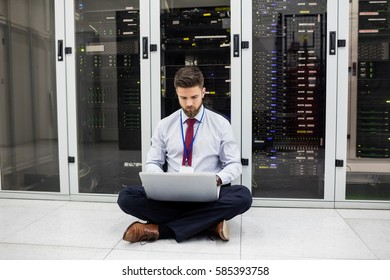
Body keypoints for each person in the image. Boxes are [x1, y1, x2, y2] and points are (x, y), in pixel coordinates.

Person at [117, 66, 252, 243]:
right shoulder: (164, 125)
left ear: (203, 92)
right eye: (184, 97)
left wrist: (217, 179)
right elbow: (153, 162)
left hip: (208, 196)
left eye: (194, 97)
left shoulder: (220, 124)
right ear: (177, 94)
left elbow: (234, 164)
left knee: (243, 196)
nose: (189, 103)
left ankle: (161, 230)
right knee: (126, 197)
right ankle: (209, 223)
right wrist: (160, 181)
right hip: (170, 196)